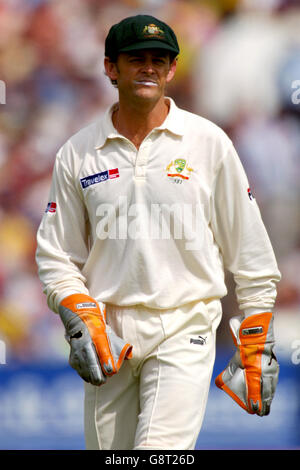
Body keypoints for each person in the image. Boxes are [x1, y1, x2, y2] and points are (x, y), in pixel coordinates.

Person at [35, 15, 281, 450]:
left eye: (158, 60)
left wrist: (257, 330)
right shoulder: (77, 153)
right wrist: (79, 313)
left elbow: (249, 248)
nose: (148, 67)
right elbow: (57, 256)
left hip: (186, 322)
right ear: (111, 68)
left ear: (171, 70)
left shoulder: (208, 143)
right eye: (136, 59)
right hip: (109, 334)